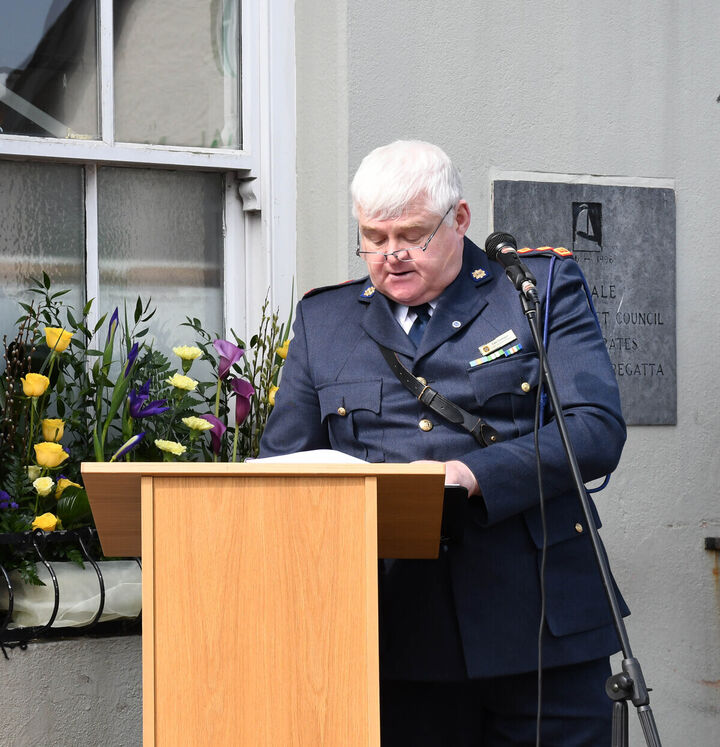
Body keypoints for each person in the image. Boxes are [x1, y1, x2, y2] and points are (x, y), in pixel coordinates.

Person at [260, 140, 627, 745]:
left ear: (459, 219)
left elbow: (594, 428)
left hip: (540, 623)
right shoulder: (325, 321)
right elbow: (283, 469)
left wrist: (473, 474)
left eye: (411, 236)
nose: (391, 256)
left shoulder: (533, 288)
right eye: (373, 238)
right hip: (398, 630)